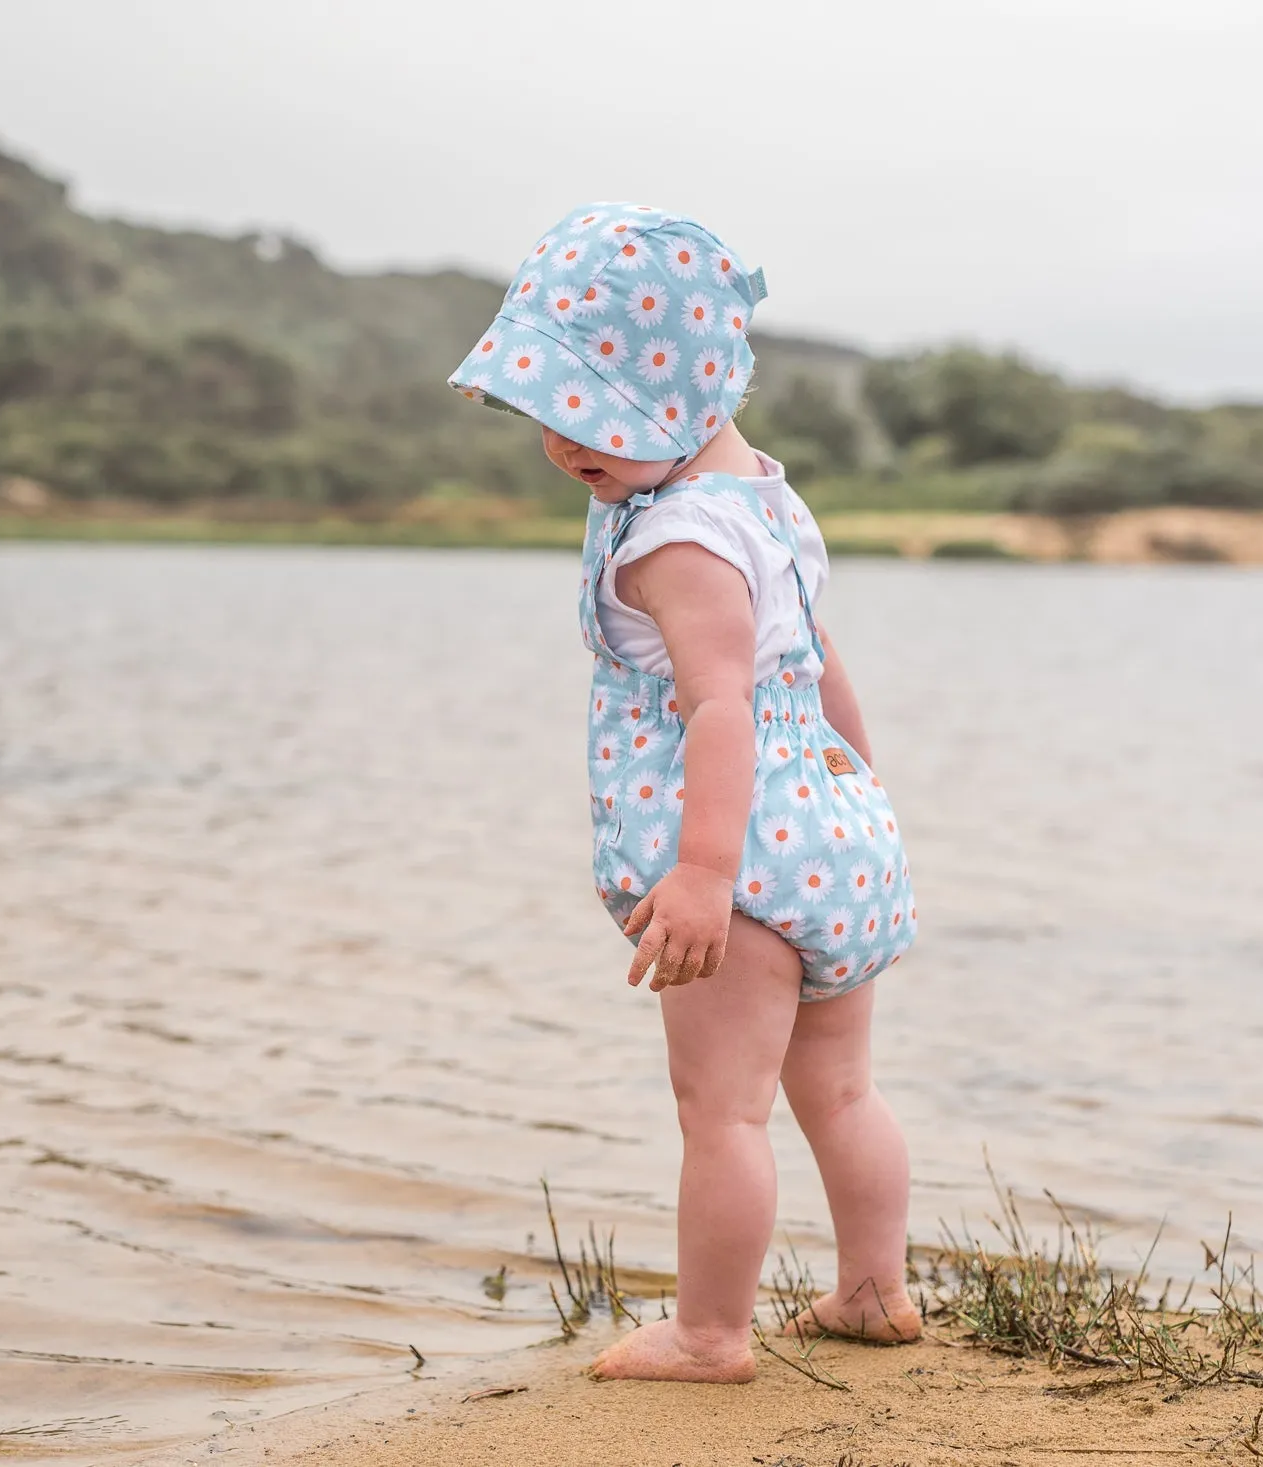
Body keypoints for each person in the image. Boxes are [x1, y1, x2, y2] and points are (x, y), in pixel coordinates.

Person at [448, 203, 921, 1384]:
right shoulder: (764, 496)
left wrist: (704, 874)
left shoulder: (671, 544)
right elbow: (812, 659)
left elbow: (718, 706)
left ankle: (711, 1335)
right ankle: (872, 1294)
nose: (564, 448)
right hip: (828, 827)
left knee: (721, 1112)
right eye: (546, 417)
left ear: (689, 399)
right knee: (841, 1089)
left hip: (745, 858)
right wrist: (857, 784)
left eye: (593, 420)